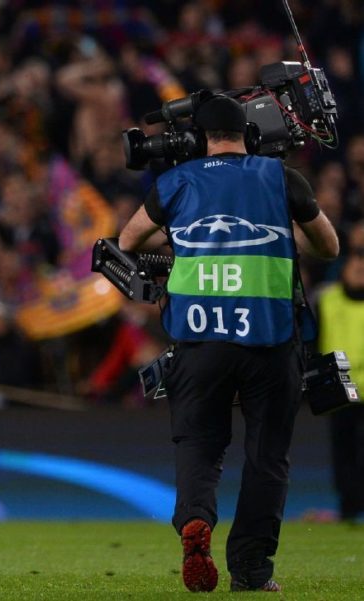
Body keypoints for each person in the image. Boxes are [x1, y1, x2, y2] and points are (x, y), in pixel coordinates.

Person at [118, 95, 339, 593]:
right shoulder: (282, 178)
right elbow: (329, 247)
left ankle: (196, 518)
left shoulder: (176, 181)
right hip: (270, 339)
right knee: (267, 457)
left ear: (199, 138)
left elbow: (128, 241)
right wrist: (280, 234)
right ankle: (252, 570)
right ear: (249, 135)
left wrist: (185, 240)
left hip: (199, 341)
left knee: (198, 443)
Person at [317, 223, 364, 524]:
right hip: (339, 388)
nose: (359, 267)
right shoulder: (328, 299)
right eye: (355, 260)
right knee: (343, 453)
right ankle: (348, 508)